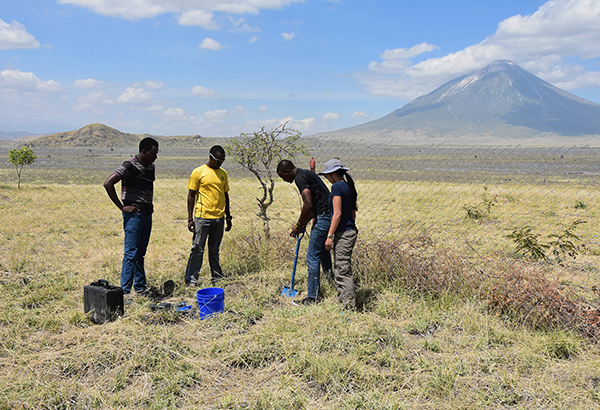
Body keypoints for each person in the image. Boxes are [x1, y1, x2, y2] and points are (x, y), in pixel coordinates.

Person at [103, 137, 159, 295]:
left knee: (140, 252)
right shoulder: (129, 165)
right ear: (143, 151)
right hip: (134, 215)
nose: (155, 157)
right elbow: (108, 183)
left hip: (147, 214)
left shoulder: (151, 167)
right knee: (131, 253)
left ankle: (140, 288)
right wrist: (122, 207)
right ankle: (124, 291)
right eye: (153, 153)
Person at [277, 159, 331, 304]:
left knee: (312, 256)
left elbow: (308, 204)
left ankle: (313, 297)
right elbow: (313, 206)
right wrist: (303, 225)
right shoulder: (305, 174)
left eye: (283, 176)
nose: (284, 180)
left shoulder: (300, 178)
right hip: (327, 215)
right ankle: (331, 282)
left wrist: (299, 224)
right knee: (323, 252)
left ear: (289, 171)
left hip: (323, 217)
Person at [185, 145, 232, 286]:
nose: (220, 163)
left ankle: (217, 277)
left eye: (222, 161)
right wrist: (190, 218)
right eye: (218, 160)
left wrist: (228, 217)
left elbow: (225, 195)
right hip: (202, 217)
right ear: (210, 157)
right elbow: (191, 195)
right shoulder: (198, 172)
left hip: (219, 218)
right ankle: (191, 280)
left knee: (214, 250)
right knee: (197, 249)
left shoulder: (223, 173)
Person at [320, 159, 359, 309]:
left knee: (342, 269)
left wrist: (330, 236)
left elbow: (337, 214)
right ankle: (342, 298)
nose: (326, 178)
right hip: (349, 230)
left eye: (327, 175)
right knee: (341, 266)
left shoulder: (337, 187)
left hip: (343, 233)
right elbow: (353, 213)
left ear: (333, 174)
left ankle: (349, 306)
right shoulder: (347, 186)